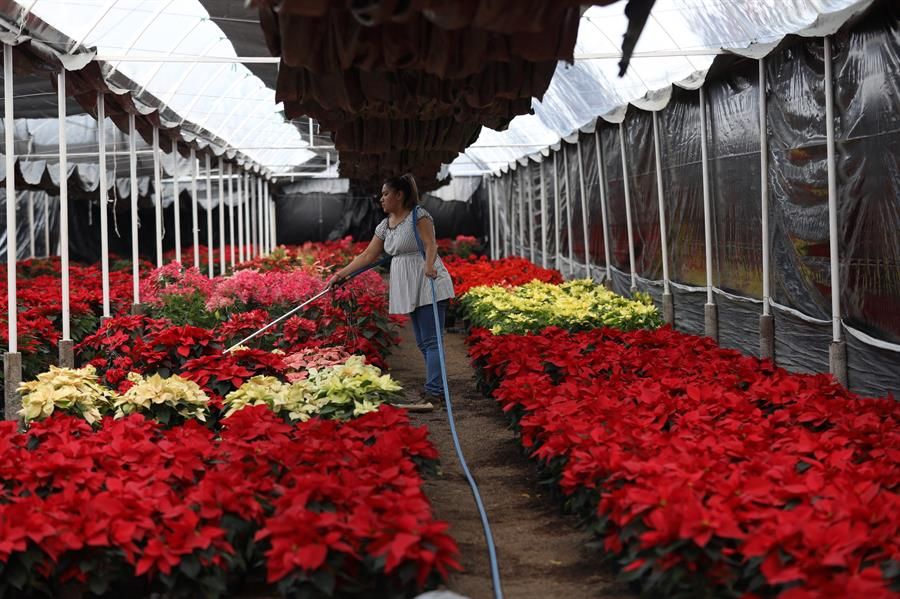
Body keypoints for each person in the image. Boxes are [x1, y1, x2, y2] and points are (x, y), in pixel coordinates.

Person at [329, 173, 455, 403]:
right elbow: (368, 254)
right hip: (408, 283)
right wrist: (341, 274)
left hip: (428, 280)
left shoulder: (419, 215)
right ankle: (436, 388)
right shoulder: (385, 226)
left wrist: (428, 266)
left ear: (400, 195)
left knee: (431, 341)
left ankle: (435, 392)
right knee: (422, 342)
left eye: (386, 193)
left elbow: (430, 244)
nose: (381, 198)